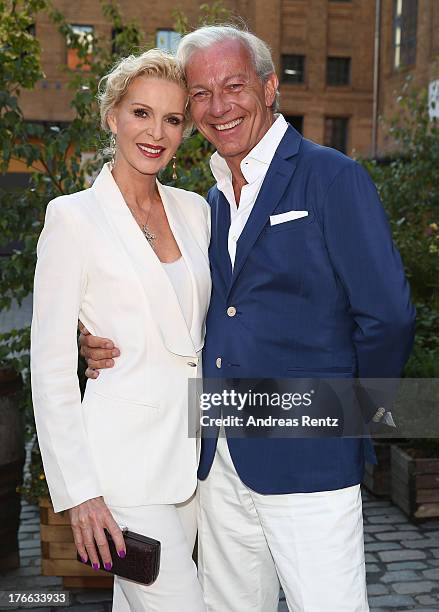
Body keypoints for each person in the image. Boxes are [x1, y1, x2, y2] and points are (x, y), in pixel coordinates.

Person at [80, 26, 416, 612]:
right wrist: (99, 340)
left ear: (269, 88)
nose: (219, 106)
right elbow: (188, 310)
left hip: (308, 455)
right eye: (201, 94)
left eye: (233, 86)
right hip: (217, 462)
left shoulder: (331, 177)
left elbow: (388, 318)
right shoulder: (205, 204)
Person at [30, 49, 211, 611]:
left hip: (194, 463)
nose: (156, 132)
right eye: (141, 113)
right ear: (112, 117)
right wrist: (80, 493)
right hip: (122, 474)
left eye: (173, 119)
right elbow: (51, 369)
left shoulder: (196, 211)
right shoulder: (72, 219)